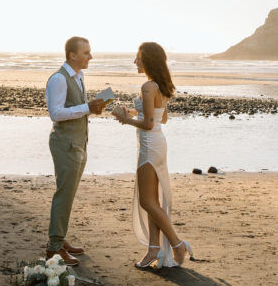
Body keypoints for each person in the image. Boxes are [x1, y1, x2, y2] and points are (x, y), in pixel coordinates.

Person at [112, 41, 194, 269]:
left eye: (138, 57)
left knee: (147, 201)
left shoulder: (148, 87)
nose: (134, 61)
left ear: (147, 60)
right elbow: (161, 118)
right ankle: (153, 249)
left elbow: (148, 123)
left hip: (149, 144)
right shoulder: (160, 85)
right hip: (158, 143)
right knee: (153, 200)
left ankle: (177, 244)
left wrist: (125, 119)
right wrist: (133, 111)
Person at [45, 36, 107, 266]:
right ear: (72, 55)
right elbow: (56, 113)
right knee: (63, 195)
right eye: (86, 52)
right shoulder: (58, 79)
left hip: (79, 142)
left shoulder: (78, 76)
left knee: (68, 195)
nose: (90, 56)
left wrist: (91, 108)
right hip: (66, 144)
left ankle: (60, 240)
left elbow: (74, 109)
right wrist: (86, 108)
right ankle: (53, 248)